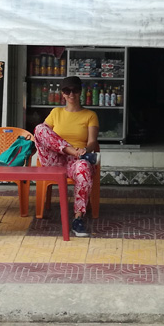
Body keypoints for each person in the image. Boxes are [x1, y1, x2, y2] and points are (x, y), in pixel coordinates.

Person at [34, 75, 99, 237]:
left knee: (84, 166)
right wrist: (71, 149)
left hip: (77, 159)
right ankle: (73, 151)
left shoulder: (90, 115)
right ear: (62, 94)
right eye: (67, 91)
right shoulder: (56, 112)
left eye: (75, 90)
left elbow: (92, 142)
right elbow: (44, 135)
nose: (71, 94)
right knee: (39, 128)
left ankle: (78, 219)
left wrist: (83, 150)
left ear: (80, 92)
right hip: (55, 158)